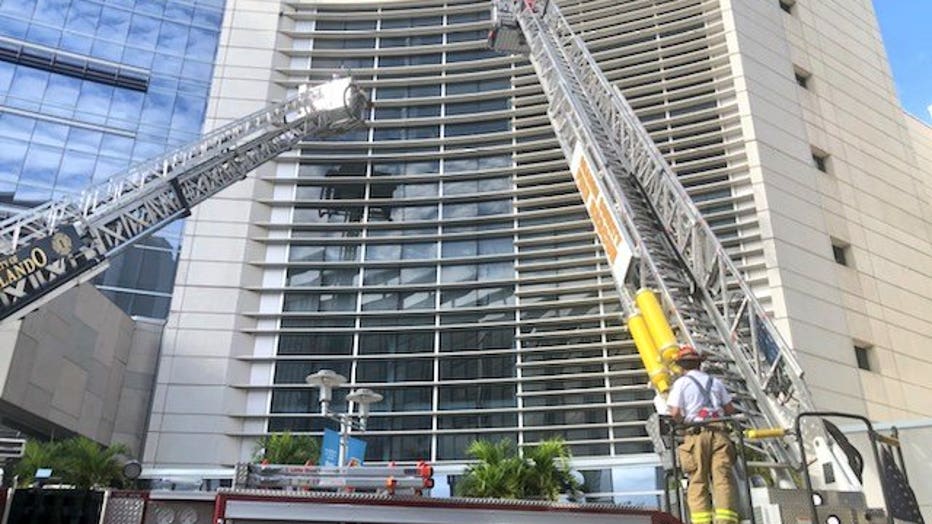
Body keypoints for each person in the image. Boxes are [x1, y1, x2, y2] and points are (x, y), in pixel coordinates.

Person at [666, 345, 739, 524]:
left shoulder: (681, 384)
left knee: (698, 479)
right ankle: (726, 521)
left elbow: (675, 412)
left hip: (695, 434)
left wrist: (682, 424)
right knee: (722, 478)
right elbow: (730, 409)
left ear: (681, 366)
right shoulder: (716, 382)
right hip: (720, 434)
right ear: (699, 364)